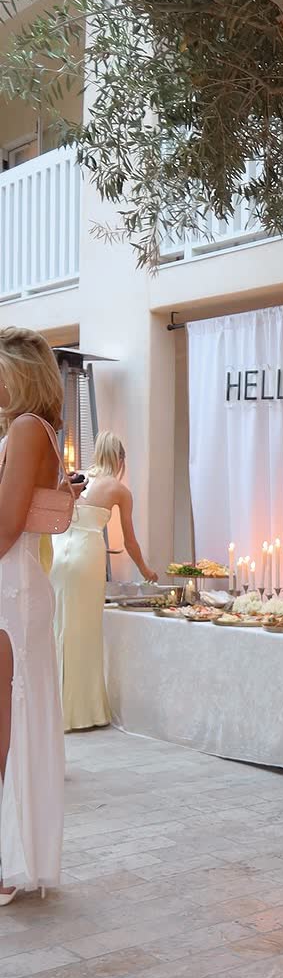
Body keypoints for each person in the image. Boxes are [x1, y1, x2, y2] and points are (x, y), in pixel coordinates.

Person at [0, 327, 67, 905]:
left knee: (8, 729)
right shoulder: (31, 429)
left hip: (11, 592)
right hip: (14, 586)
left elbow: (5, 526)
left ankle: (6, 863)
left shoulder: (26, 429)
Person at [51, 431, 157, 731]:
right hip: (87, 556)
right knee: (84, 632)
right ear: (121, 459)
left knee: (59, 627)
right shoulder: (119, 490)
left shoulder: (76, 477)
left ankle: (54, 709)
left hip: (59, 551)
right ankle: (82, 712)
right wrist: (146, 571)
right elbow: (130, 541)